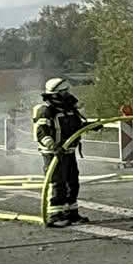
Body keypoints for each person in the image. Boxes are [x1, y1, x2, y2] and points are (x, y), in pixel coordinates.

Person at [33, 77, 88, 227]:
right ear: (55, 94)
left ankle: (71, 213)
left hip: (69, 152)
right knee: (57, 183)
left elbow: (76, 126)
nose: (68, 95)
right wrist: (53, 146)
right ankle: (54, 215)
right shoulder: (46, 111)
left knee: (73, 182)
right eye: (64, 92)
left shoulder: (70, 110)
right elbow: (41, 132)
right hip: (54, 154)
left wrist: (88, 126)